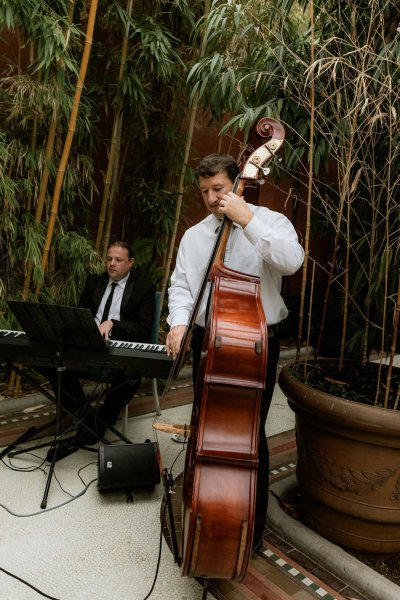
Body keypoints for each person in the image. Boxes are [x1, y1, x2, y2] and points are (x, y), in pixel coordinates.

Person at [165, 153, 304, 551]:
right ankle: (204, 509)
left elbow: (292, 261)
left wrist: (247, 220)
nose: (211, 198)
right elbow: (181, 287)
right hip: (209, 342)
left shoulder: (270, 222)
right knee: (204, 430)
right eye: (205, 191)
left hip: (256, 345)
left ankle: (249, 528)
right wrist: (178, 323)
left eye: (219, 189)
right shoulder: (194, 236)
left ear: (238, 184)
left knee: (248, 436)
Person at [45, 239, 155, 461]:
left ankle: (95, 423)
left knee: (131, 375)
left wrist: (114, 324)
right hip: (88, 345)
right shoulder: (94, 282)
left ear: (131, 262)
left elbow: (144, 329)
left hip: (118, 348)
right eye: (109, 259)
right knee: (51, 362)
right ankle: (90, 421)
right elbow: (79, 313)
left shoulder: (144, 289)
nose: (112, 264)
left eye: (118, 260)